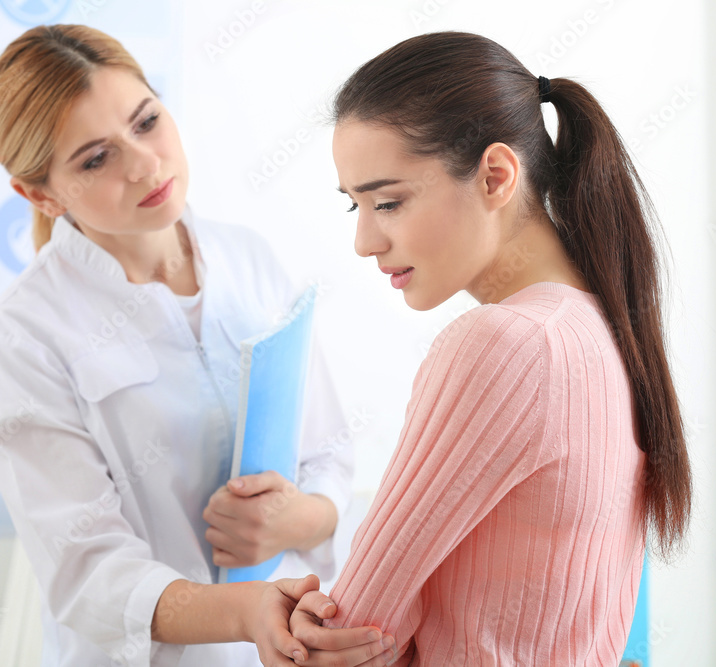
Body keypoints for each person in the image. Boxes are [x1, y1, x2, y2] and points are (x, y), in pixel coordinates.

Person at [0, 24, 394, 667]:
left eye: (146, 121)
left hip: (297, 646)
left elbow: (329, 452)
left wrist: (301, 519)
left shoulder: (250, 258)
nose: (145, 164)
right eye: (95, 158)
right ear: (40, 194)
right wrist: (245, 613)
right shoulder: (23, 336)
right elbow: (89, 574)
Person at [290, 31, 693, 665]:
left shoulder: (507, 346)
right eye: (355, 207)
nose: (365, 242)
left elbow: (346, 635)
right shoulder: (600, 327)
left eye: (388, 202)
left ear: (496, 176)